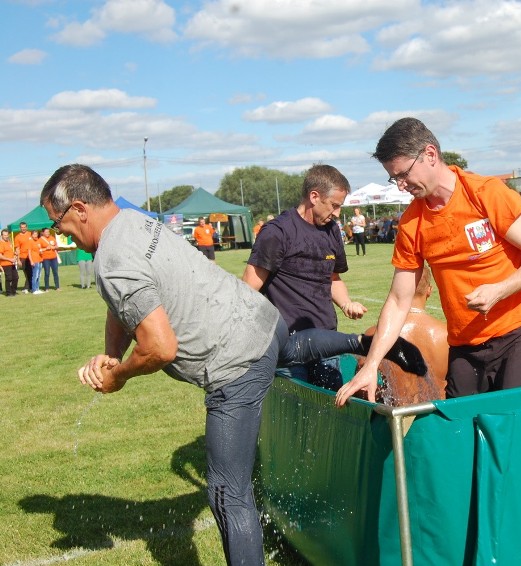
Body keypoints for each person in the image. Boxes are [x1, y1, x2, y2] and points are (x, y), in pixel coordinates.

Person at [40, 164, 427, 565]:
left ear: (81, 208)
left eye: (58, 223)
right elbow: (121, 305)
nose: (59, 233)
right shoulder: (133, 223)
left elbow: (159, 347)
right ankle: (360, 341)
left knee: (227, 491)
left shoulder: (112, 257)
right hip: (266, 321)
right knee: (288, 349)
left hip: (233, 363)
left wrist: (117, 376)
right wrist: (111, 353)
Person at [335, 117, 521, 406]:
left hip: (519, 331)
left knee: (513, 423)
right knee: (458, 428)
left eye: (403, 174)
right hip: (465, 343)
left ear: (430, 154)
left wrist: (499, 290)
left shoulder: (485, 193)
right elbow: (399, 300)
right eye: (394, 178)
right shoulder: (412, 223)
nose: (401, 186)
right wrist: (373, 363)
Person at [242, 164, 368, 390]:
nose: (338, 213)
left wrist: (346, 303)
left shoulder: (331, 230)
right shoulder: (277, 232)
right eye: (334, 206)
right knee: (296, 419)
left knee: (330, 413)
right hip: (288, 346)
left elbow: (333, 279)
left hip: (326, 341)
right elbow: (248, 289)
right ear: (314, 196)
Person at [362, 265, 449, 405]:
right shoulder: (447, 335)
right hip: (436, 417)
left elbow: (363, 391)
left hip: (394, 416)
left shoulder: (374, 334)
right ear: (429, 291)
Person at [14, 222, 32, 294]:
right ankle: (27, 288)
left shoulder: (30, 234)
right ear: (20, 228)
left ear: (26, 227)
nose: (23, 228)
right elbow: (17, 249)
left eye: (24, 227)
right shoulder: (17, 237)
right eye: (22, 227)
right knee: (27, 273)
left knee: (32, 272)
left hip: (31, 256)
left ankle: (29, 287)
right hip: (23, 257)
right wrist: (18, 260)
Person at [0, 229, 19, 296]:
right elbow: (0, 255)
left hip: (12, 263)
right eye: (4, 235)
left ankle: (13, 291)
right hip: (5, 264)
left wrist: (15, 253)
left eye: (7, 235)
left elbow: (9, 252)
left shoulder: (8, 242)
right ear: (1, 235)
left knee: (16, 277)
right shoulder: (1, 243)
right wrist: (10, 259)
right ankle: (9, 293)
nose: (6, 236)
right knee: (9, 278)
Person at [28, 230, 44, 294]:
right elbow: (29, 252)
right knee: (35, 275)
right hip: (34, 260)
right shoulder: (30, 241)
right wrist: (31, 261)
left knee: (39, 275)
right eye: (34, 234)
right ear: (31, 235)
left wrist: (41, 251)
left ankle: (37, 288)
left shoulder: (38, 241)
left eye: (36, 234)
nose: (35, 235)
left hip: (40, 259)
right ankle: (34, 289)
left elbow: (39, 249)